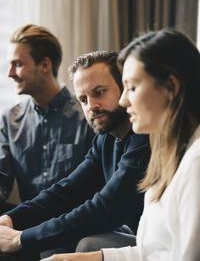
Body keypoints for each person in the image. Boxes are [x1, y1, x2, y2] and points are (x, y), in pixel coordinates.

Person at [41, 29, 200, 261]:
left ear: (171, 88)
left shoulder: (196, 163)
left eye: (132, 87)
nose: (124, 101)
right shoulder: (169, 154)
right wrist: (94, 257)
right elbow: (153, 252)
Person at [0, 50, 150, 260]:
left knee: (86, 243)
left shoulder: (145, 136)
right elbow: (66, 191)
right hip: (132, 234)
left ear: (125, 88)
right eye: (83, 99)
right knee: (51, 240)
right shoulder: (105, 138)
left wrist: (21, 239)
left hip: (153, 244)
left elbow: (107, 208)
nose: (91, 107)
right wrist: (10, 219)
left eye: (99, 92)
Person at [0, 24, 95, 213]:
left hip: (77, 228)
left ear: (44, 65)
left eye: (18, 64)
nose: (10, 73)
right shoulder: (9, 121)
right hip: (27, 226)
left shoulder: (88, 116)